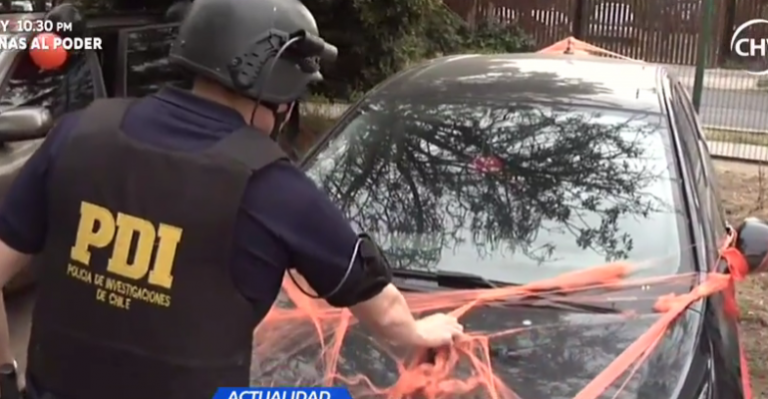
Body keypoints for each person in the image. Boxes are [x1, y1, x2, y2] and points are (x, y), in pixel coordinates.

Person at [0, 0, 463, 399]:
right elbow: (378, 305)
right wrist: (421, 332)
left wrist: (5, 377)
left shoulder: (78, 132)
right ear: (275, 91)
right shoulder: (274, 188)